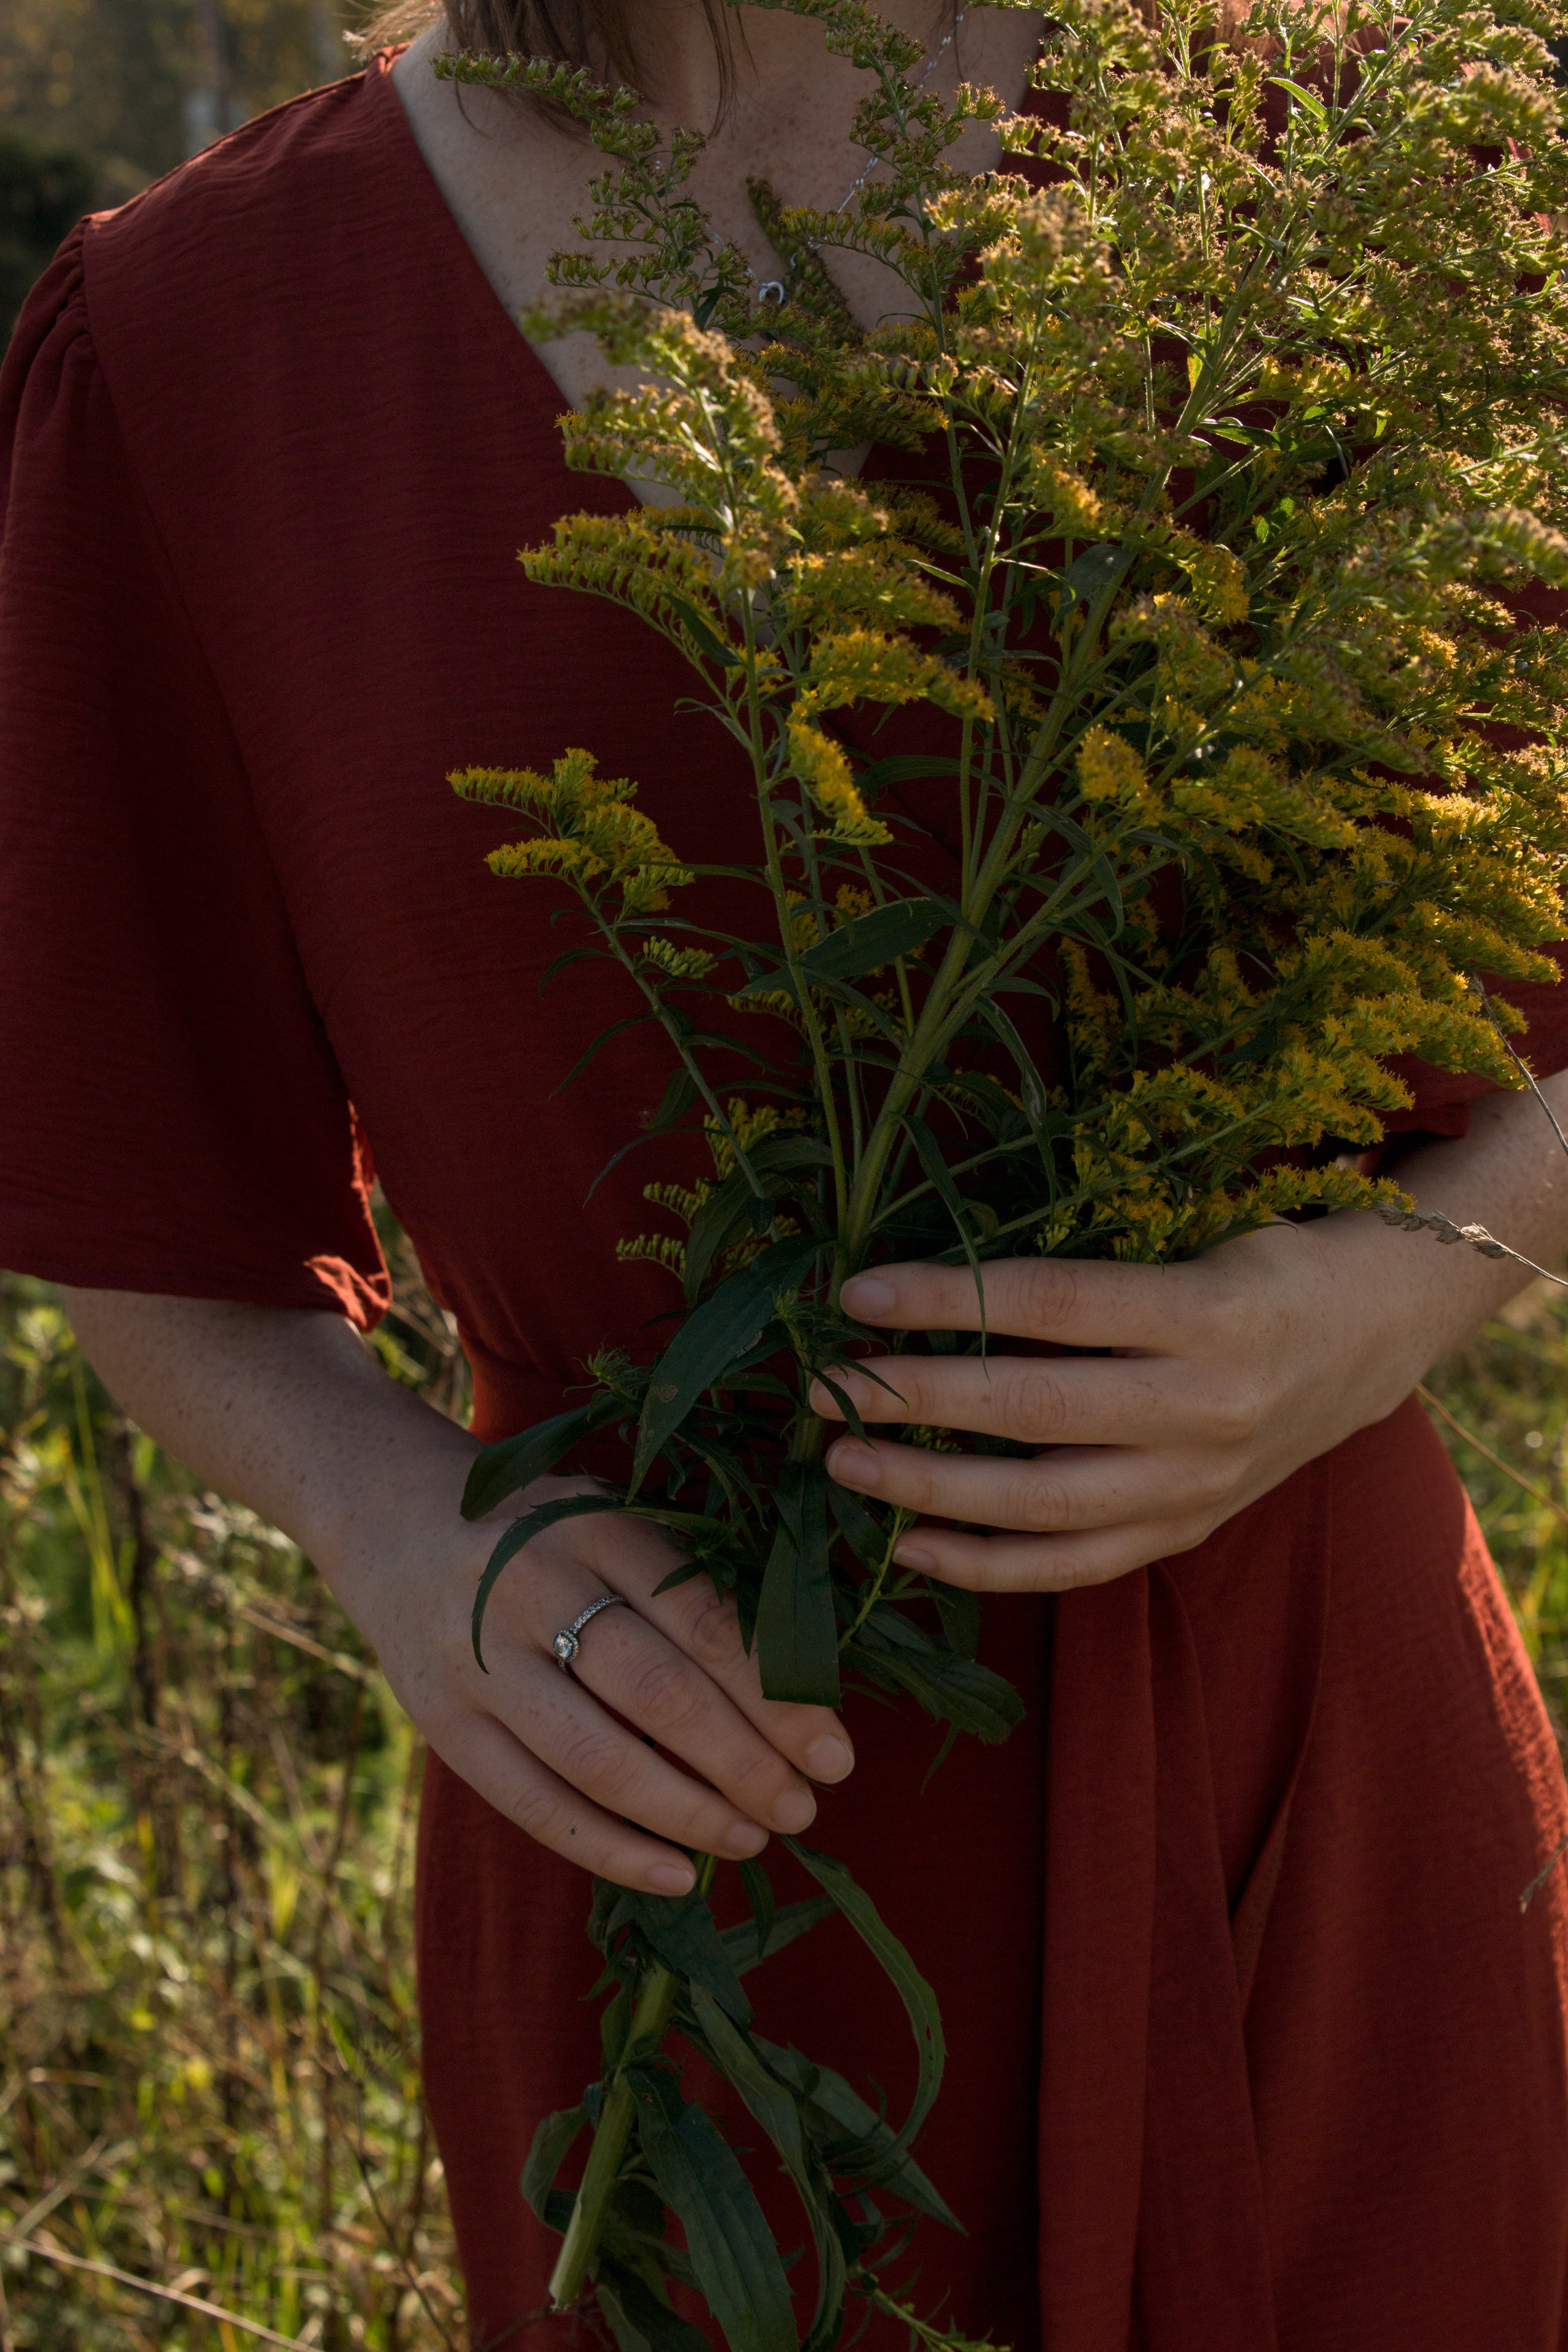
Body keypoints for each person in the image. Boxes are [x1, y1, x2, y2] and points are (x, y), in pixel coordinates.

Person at [4, 5, 1568, 2345]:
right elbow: (134, 1173)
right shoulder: (199, 335)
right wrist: (392, 1524)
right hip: (661, 1841)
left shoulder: (1351, 165)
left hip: (1293, 1769)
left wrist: (1385, 1303)